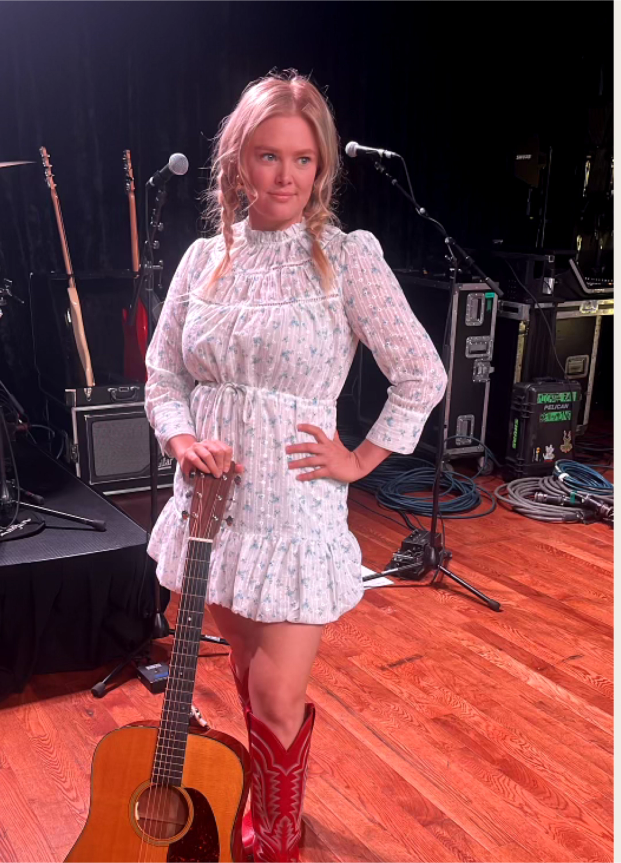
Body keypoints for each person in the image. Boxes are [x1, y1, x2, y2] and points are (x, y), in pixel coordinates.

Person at [145, 70, 447, 863]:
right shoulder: (205, 259)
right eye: (268, 155)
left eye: (303, 159)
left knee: (279, 693)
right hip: (211, 508)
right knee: (245, 674)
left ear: (321, 169)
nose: (285, 175)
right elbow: (162, 374)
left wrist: (360, 459)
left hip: (292, 512)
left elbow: (422, 371)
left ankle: (279, 834)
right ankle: (256, 799)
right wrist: (181, 439)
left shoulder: (346, 261)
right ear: (237, 162)